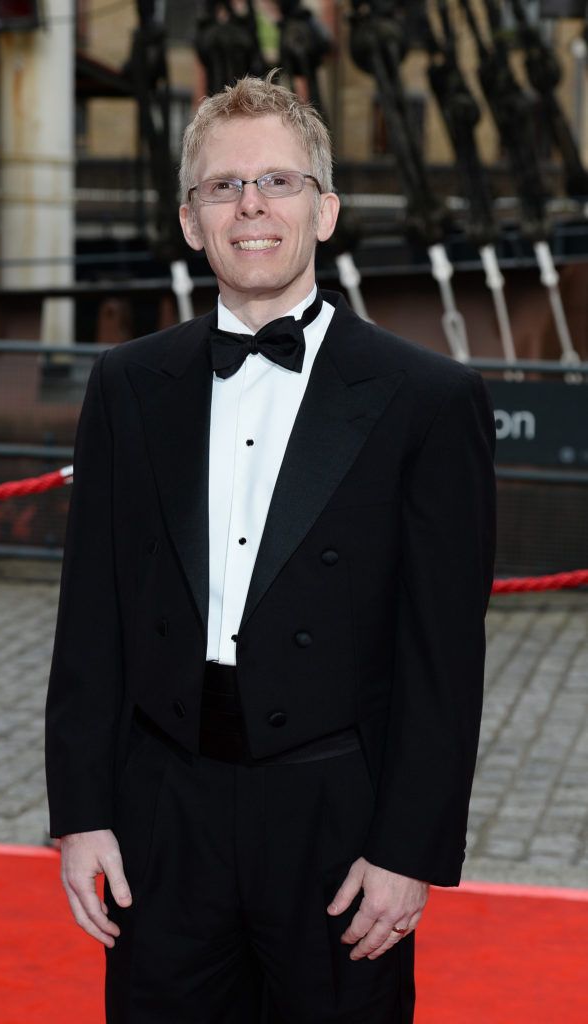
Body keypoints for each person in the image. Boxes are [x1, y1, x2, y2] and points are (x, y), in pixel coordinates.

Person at [45, 73, 496, 1024]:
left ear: (325, 211)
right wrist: (83, 815)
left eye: (279, 183)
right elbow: (90, 620)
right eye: (224, 187)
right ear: (190, 219)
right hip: (163, 812)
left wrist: (410, 849)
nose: (251, 206)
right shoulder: (127, 387)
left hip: (336, 819)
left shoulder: (426, 400)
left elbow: (442, 658)